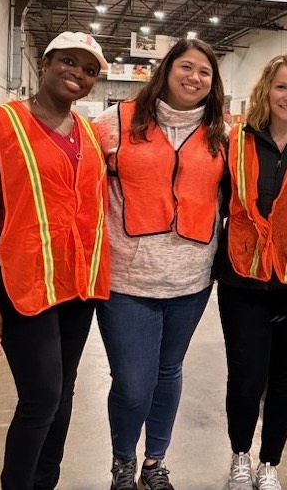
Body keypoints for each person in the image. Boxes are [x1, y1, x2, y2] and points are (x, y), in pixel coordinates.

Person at [0, 31, 110, 490]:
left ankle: (45, 483)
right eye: (69, 62)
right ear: (45, 63)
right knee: (41, 398)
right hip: (24, 283)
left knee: (63, 397)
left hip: (77, 285)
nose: (79, 75)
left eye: (90, 70)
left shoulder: (89, 132)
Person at [93, 38, 227, 490]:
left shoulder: (220, 134)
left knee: (169, 373)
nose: (194, 78)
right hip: (127, 280)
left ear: (214, 83)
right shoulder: (114, 123)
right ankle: (122, 462)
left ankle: (154, 464)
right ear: (167, 71)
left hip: (191, 280)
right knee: (133, 382)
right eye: (186, 67)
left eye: (204, 72)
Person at [213, 55, 287, 490]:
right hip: (243, 278)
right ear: (267, 90)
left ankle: (269, 463)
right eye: (282, 87)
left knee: (286, 376)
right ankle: (240, 455)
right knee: (245, 375)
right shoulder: (234, 139)